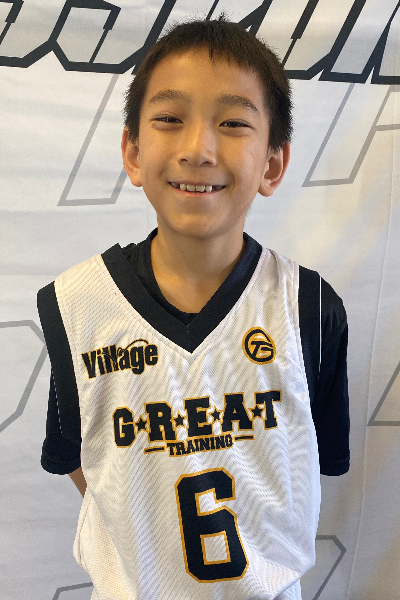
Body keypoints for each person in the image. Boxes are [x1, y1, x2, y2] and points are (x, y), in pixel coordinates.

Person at [38, 16, 349, 600]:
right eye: (169, 119)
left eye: (233, 123)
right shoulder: (77, 305)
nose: (198, 149)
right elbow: (82, 460)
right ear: (133, 151)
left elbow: (316, 459)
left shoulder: (308, 307)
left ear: (273, 164)